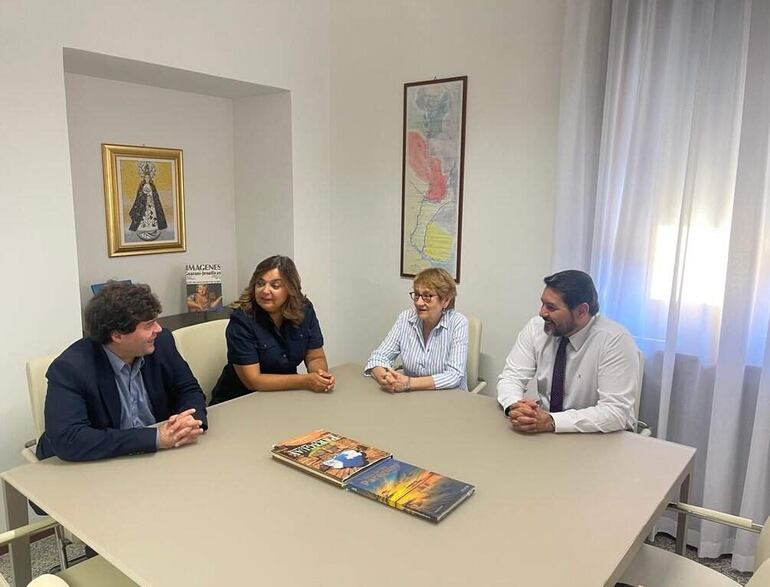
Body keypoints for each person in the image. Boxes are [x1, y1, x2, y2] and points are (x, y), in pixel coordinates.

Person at [36, 281, 207, 461]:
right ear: (117, 335)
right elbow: (69, 439)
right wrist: (156, 438)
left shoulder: (161, 343)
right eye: (149, 325)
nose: (158, 329)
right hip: (91, 465)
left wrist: (190, 421)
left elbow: (188, 389)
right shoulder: (70, 368)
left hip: (157, 458)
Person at [497, 270, 639, 434]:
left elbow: (615, 412)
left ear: (581, 311)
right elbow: (511, 377)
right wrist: (516, 407)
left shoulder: (615, 340)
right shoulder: (536, 328)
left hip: (596, 439)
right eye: (543, 303)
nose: (542, 313)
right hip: (545, 436)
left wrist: (552, 421)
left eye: (551, 307)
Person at [209, 255, 334, 404]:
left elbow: (315, 357)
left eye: (275, 286)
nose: (265, 291)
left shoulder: (304, 310)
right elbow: (254, 381)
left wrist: (320, 375)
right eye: (260, 284)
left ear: (290, 289)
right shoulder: (242, 320)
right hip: (240, 400)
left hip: (285, 396)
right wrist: (306, 381)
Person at [364, 267, 469, 392]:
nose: (419, 302)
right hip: (411, 397)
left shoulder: (458, 323)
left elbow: (454, 376)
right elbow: (379, 356)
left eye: (427, 296)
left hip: (448, 398)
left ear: (446, 300)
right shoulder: (406, 318)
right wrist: (384, 377)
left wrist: (409, 383)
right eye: (417, 295)